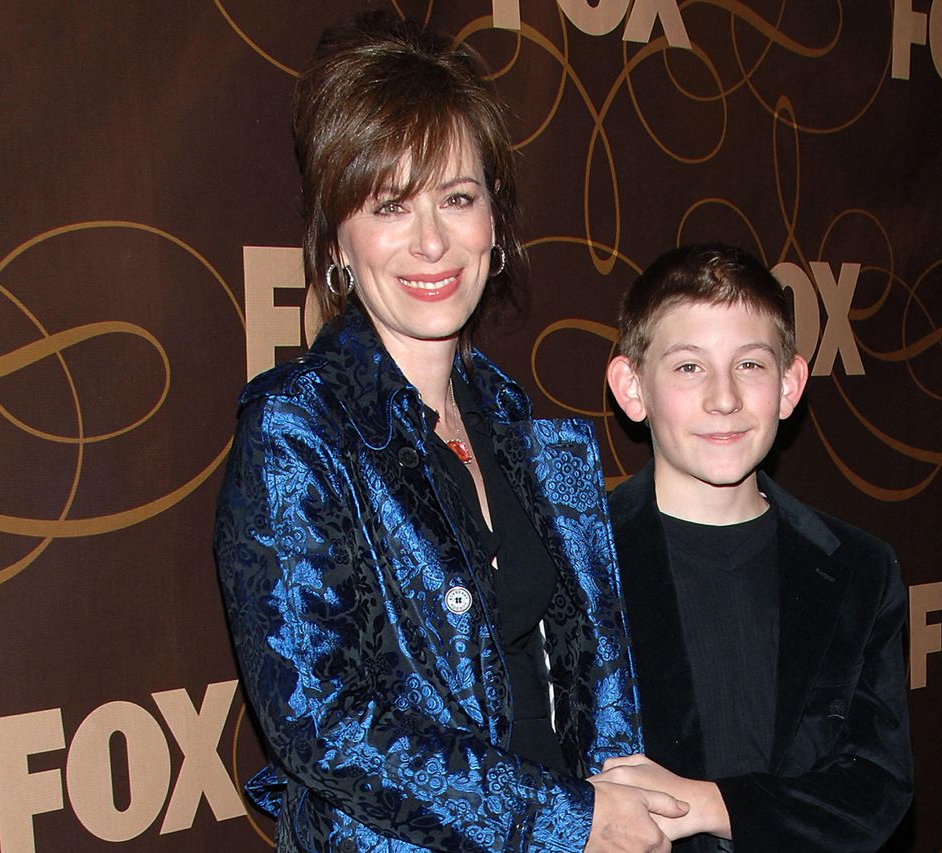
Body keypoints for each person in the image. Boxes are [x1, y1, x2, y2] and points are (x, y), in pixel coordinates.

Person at [214, 13, 686, 853]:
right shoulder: (299, 428)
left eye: (457, 198)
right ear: (338, 243)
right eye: (389, 204)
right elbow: (323, 722)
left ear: (494, 226)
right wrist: (566, 820)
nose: (431, 240)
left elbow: (579, 678)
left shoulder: (510, 420)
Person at [595, 243, 914, 851]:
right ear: (633, 388)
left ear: (790, 386)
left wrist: (710, 803)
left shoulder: (859, 569)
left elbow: (878, 787)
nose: (724, 398)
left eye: (750, 365)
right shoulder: (574, 560)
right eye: (689, 367)